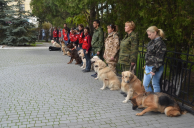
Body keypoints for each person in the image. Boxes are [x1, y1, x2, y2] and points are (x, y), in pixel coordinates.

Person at [143, 26, 166, 93]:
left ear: (155, 33)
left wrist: (154, 70)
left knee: (155, 84)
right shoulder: (151, 42)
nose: (148, 36)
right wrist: (146, 64)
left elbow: (159, 58)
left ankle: (156, 101)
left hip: (156, 67)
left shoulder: (160, 44)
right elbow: (148, 54)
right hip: (148, 66)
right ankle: (151, 99)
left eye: (149, 34)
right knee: (145, 84)